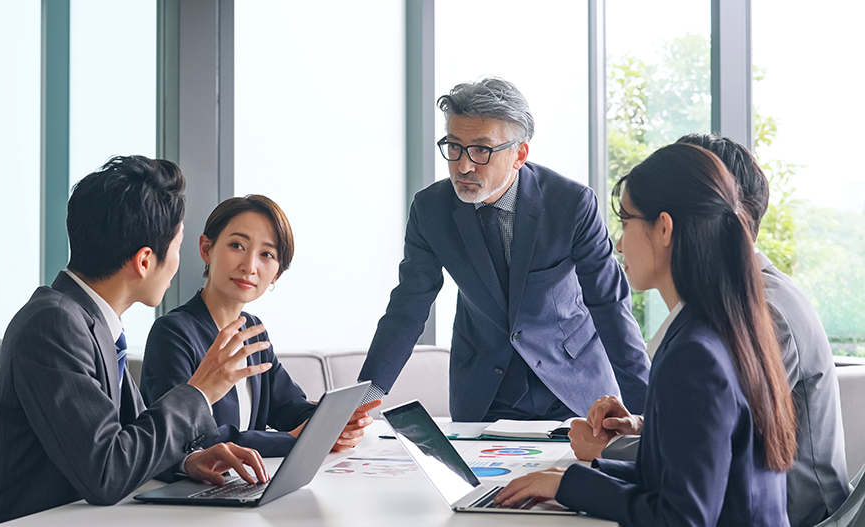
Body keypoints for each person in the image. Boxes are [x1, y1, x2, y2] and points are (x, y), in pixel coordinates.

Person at [495, 143, 797, 525]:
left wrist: (572, 485)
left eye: (625, 221)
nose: (618, 244)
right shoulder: (723, 326)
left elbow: (681, 518)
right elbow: (681, 484)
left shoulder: (695, 354)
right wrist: (574, 479)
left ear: (665, 228)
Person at [567, 134, 850, 526]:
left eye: (627, 221)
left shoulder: (758, 312)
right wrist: (638, 430)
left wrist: (602, 456)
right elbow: (713, 426)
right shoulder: (729, 303)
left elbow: (704, 473)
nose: (617, 242)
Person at [0, 156, 273, 526]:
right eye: (178, 246)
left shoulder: (93, 322)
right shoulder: (53, 324)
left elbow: (131, 438)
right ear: (145, 261)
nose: (178, 261)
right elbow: (106, 473)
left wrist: (185, 461)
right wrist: (199, 391)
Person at [358, 77, 650, 422]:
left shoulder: (570, 204)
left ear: (519, 154)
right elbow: (408, 307)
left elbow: (609, 305)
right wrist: (365, 397)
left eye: (481, 150)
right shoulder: (431, 209)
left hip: (574, 388)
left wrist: (649, 407)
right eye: (453, 147)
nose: (463, 166)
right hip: (484, 393)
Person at [141, 195, 380, 458]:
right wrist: (291, 440)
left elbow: (289, 408)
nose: (249, 266)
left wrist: (336, 424)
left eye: (267, 254)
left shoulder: (252, 330)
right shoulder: (173, 332)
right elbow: (184, 437)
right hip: (195, 488)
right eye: (237, 245)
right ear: (206, 249)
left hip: (248, 481)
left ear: (277, 273)